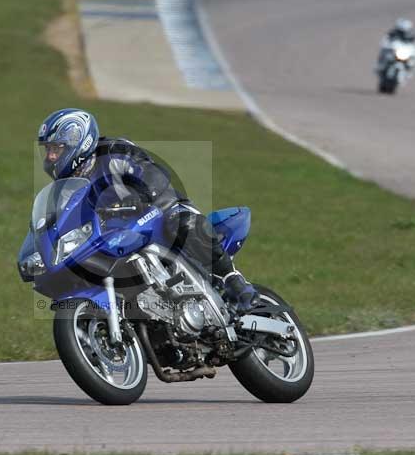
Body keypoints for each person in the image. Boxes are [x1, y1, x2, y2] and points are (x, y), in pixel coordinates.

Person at [37, 107, 258, 315]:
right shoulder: (67, 187)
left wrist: (141, 196)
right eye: (48, 150)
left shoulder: (114, 152)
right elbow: (64, 220)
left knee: (179, 222)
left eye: (56, 149)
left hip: (158, 210)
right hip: (115, 234)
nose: (50, 158)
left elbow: (151, 174)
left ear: (79, 142)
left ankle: (235, 282)